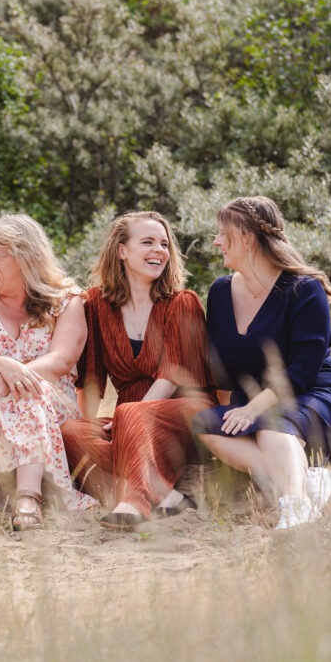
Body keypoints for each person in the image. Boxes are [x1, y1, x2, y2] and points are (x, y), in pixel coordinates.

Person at [192, 196, 331, 530]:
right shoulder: (220, 293)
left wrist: (252, 410)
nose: (216, 241)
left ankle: (296, 509)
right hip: (252, 403)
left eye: (222, 233)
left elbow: (301, 372)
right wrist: (233, 413)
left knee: (271, 422)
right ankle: (305, 479)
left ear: (247, 237)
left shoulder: (304, 289)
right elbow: (222, 373)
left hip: (315, 396)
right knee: (203, 424)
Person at [61, 212, 216, 530]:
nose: (159, 250)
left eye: (164, 244)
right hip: (130, 418)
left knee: (130, 413)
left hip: (186, 411)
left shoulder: (181, 302)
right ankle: (167, 497)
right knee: (70, 432)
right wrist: (91, 425)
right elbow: (91, 380)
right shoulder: (98, 305)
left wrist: (127, 420)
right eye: (147, 242)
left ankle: (133, 502)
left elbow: (172, 375)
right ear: (122, 250)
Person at [0, 214, 95, 533]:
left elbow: (61, 360)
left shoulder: (65, 300)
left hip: (50, 398)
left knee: (30, 390)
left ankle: (28, 497)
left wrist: (10, 380)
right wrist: (4, 368)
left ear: (23, 256)